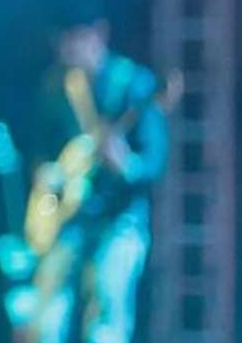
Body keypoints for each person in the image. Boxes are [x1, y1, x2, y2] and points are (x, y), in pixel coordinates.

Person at [24, 17, 168, 343]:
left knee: (106, 318)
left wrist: (126, 165)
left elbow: (154, 161)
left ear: (97, 34)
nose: (67, 51)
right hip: (67, 220)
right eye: (62, 43)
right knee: (45, 318)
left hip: (119, 220)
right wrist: (45, 174)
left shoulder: (133, 84)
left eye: (73, 40)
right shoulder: (59, 86)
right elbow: (40, 147)